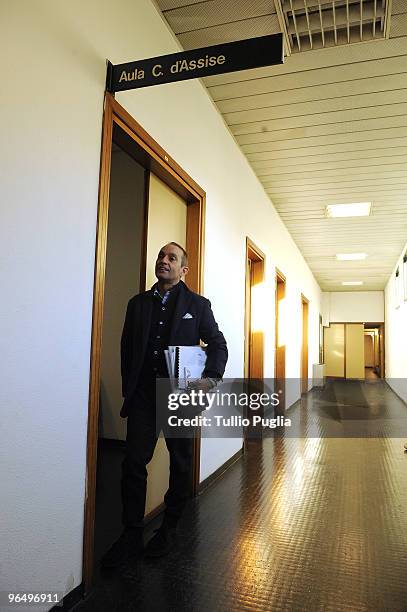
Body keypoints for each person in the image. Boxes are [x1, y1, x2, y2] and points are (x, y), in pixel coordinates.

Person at [101, 242, 228, 567]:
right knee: (132, 463)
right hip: (144, 395)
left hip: (179, 397)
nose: (164, 261)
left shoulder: (197, 305)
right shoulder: (137, 303)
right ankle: (131, 532)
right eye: (161, 256)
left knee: (181, 463)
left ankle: (170, 527)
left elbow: (217, 343)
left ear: (184, 269)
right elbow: (127, 349)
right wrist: (130, 388)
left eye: (172, 258)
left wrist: (211, 378)